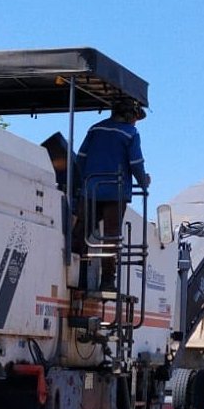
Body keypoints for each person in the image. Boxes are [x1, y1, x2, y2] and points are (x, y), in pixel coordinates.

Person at [74, 99, 150, 290]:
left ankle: (76, 274)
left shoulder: (95, 129)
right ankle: (108, 281)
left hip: (91, 189)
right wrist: (144, 181)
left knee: (81, 232)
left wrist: (81, 183)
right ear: (129, 115)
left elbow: (81, 158)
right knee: (112, 236)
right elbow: (136, 163)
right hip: (115, 192)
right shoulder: (130, 133)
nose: (135, 122)